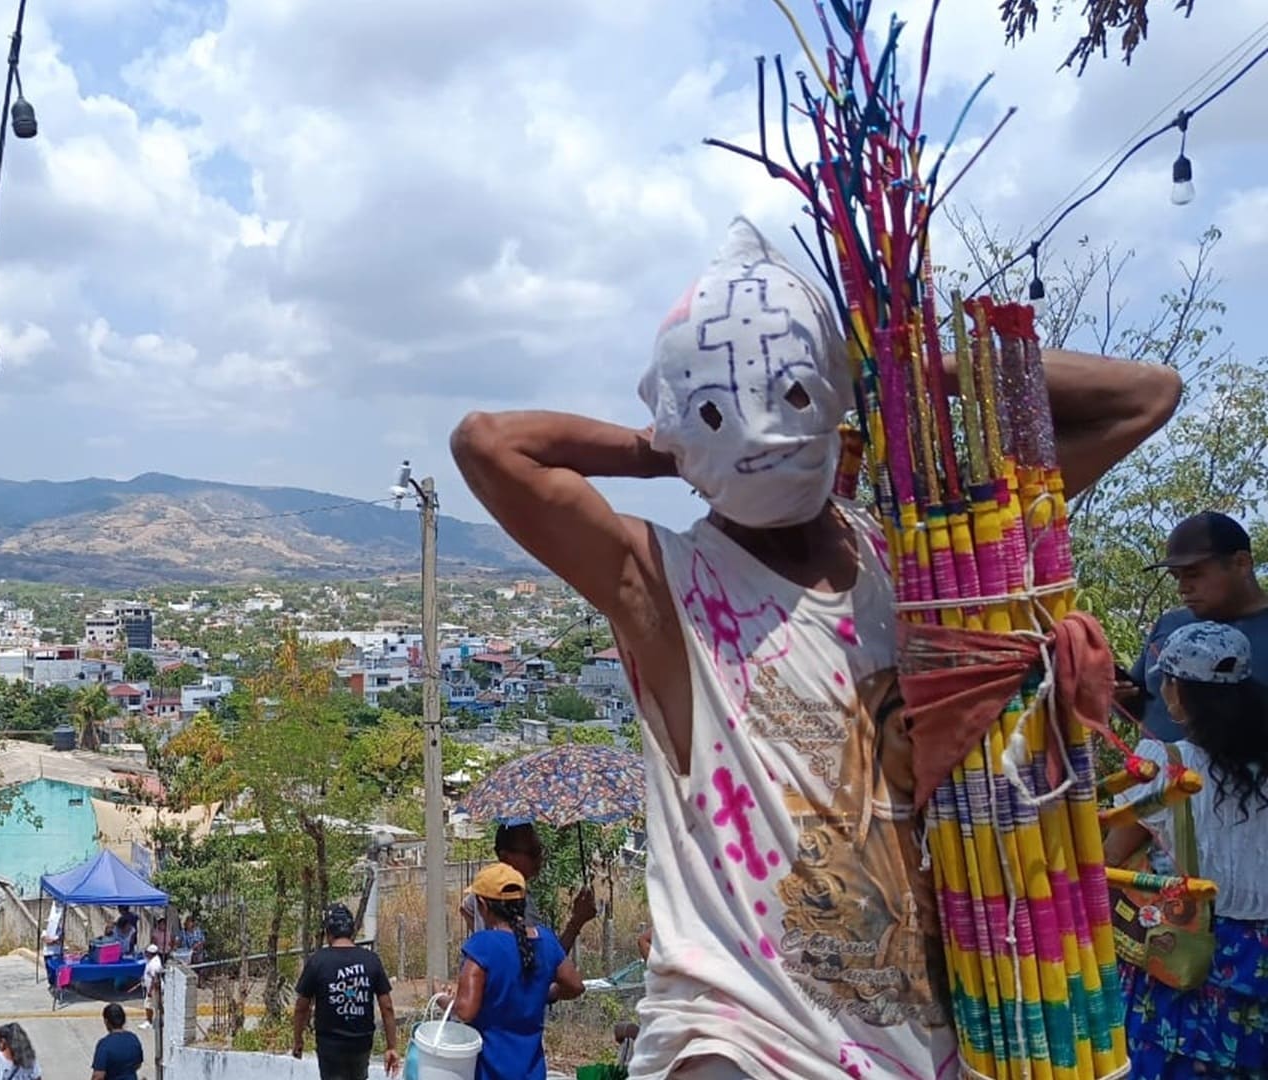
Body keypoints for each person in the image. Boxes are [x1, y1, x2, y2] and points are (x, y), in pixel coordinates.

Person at [451, 217, 1181, 1079]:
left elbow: (1145, 396)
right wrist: (673, 447)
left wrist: (898, 374)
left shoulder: (924, 562)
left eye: (794, 397)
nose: (762, 435)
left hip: (934, 1042)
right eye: (723, 415)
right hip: (737, 1036)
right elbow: (489, 444)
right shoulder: (666, 584)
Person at [1104, 622, 1268, 1078]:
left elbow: (1112, 858)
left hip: (1187, 951)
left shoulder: (1163, 765)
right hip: (1258, 963)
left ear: (1177, 691)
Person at [1121, 512, 1267, 740]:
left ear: (1241, 563)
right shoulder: (1170, 625)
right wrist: (1118, 696)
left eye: (1194, 574)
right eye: (1176, 576)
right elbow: (1144, 705)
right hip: (1156, 773)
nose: (1182, 588)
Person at [442, 865, 583, 1080]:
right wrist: (546, 993)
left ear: (482, 905)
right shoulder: (545, 940)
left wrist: (444, 1000)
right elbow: (575, 986)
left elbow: (465, 1012)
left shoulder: (482, 945)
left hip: (489, 1071)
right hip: (532, 1071)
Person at [292, 903, 399, 1080]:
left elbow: (301, 1007)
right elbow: (387, 1007)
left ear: (328, 933)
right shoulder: (371, 960)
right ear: (352, 930)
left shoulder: (318, 961)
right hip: (361, 1042)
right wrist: (391, 1046)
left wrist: (298, 1040)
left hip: (329, 1044)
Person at [457, 822, 596, 953]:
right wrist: (576, 922)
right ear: (505, 856)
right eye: (533, 852)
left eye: (541, 850)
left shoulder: (485, 893)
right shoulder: (517, 902)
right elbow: (546, 964)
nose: (540, 858)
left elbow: (465, 907)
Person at [90, 1002, 144, 1080]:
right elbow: (138, 1064)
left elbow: (98, 1076)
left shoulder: (104, 1045)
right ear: (124, 1019)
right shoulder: (133, 1039)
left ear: (106, 1021)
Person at [140, 944, 164, 1030]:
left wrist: (150, 991)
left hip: (154, 989)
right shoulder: (152, 960)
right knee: (158, 1005)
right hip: (152, 988)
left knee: (148, 1005)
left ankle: (149, 1022)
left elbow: (155, 980)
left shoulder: (155, 964)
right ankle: (161, 1020)